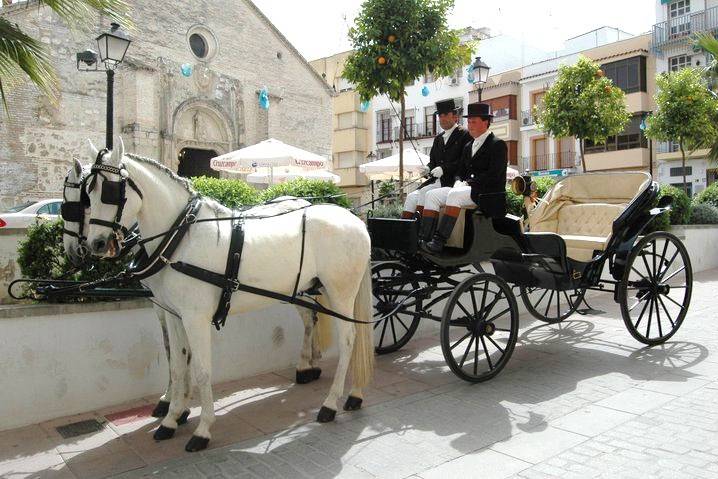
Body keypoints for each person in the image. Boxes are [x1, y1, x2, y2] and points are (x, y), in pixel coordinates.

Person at [421, 102, 508, 254]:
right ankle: (425, 238)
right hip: (468, 190)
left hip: (487, 194)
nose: (470, 125)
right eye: (468, 121)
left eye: (474, 121)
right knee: (431, 195)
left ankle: (438, 242)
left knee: (455, 195)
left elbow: (494, 175)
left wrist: (468, 182)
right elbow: (460, 171)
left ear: (486, 122)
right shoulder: (468, 146)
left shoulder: (497, 144)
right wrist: (458, 181)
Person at [400, 99, 473, 229]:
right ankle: (404, 231)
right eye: (440, 116)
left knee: (425, 193)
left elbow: (464, 162)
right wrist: (428, 168)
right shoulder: (438, 139)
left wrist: (444, 169)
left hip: (451, 181)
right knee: (411, 197)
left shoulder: (465, 135)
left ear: (455, 116)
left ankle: (421, 231)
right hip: (435, 181)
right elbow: (433, 161)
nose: (442, 118)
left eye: (445, 115)